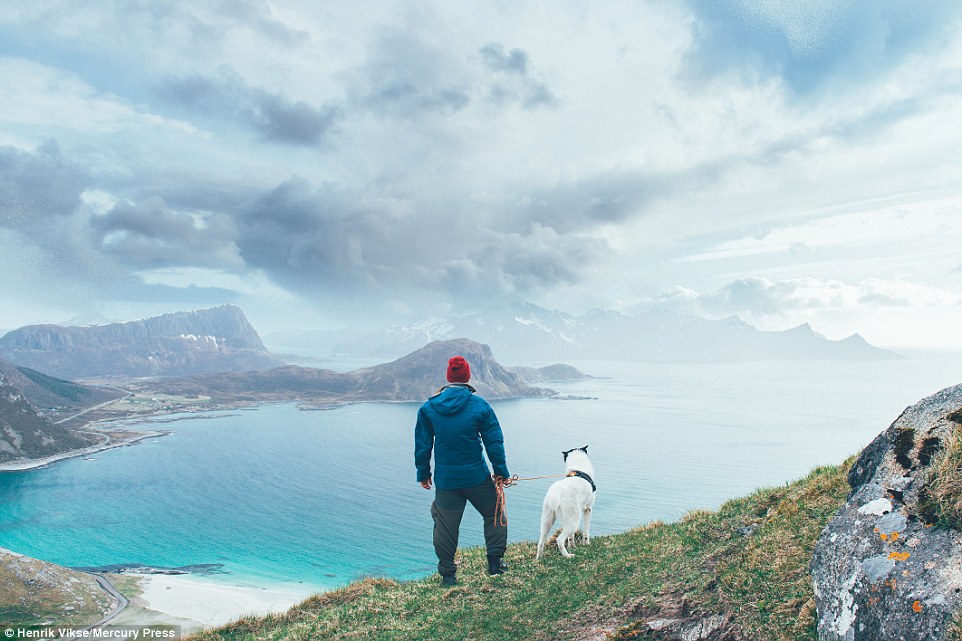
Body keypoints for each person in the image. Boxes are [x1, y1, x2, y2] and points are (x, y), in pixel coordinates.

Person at [414, 355, 510, 586]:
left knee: (445, 527)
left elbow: (423, 445)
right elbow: (494, 442)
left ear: (448, 377)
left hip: (447, 481)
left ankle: (448, 575)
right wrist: (501, 472)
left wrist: (423, 473)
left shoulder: (429, 408)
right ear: (467, 377)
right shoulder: (480, 405)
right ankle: (495, 564)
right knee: (495, 514)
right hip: (476, 477)